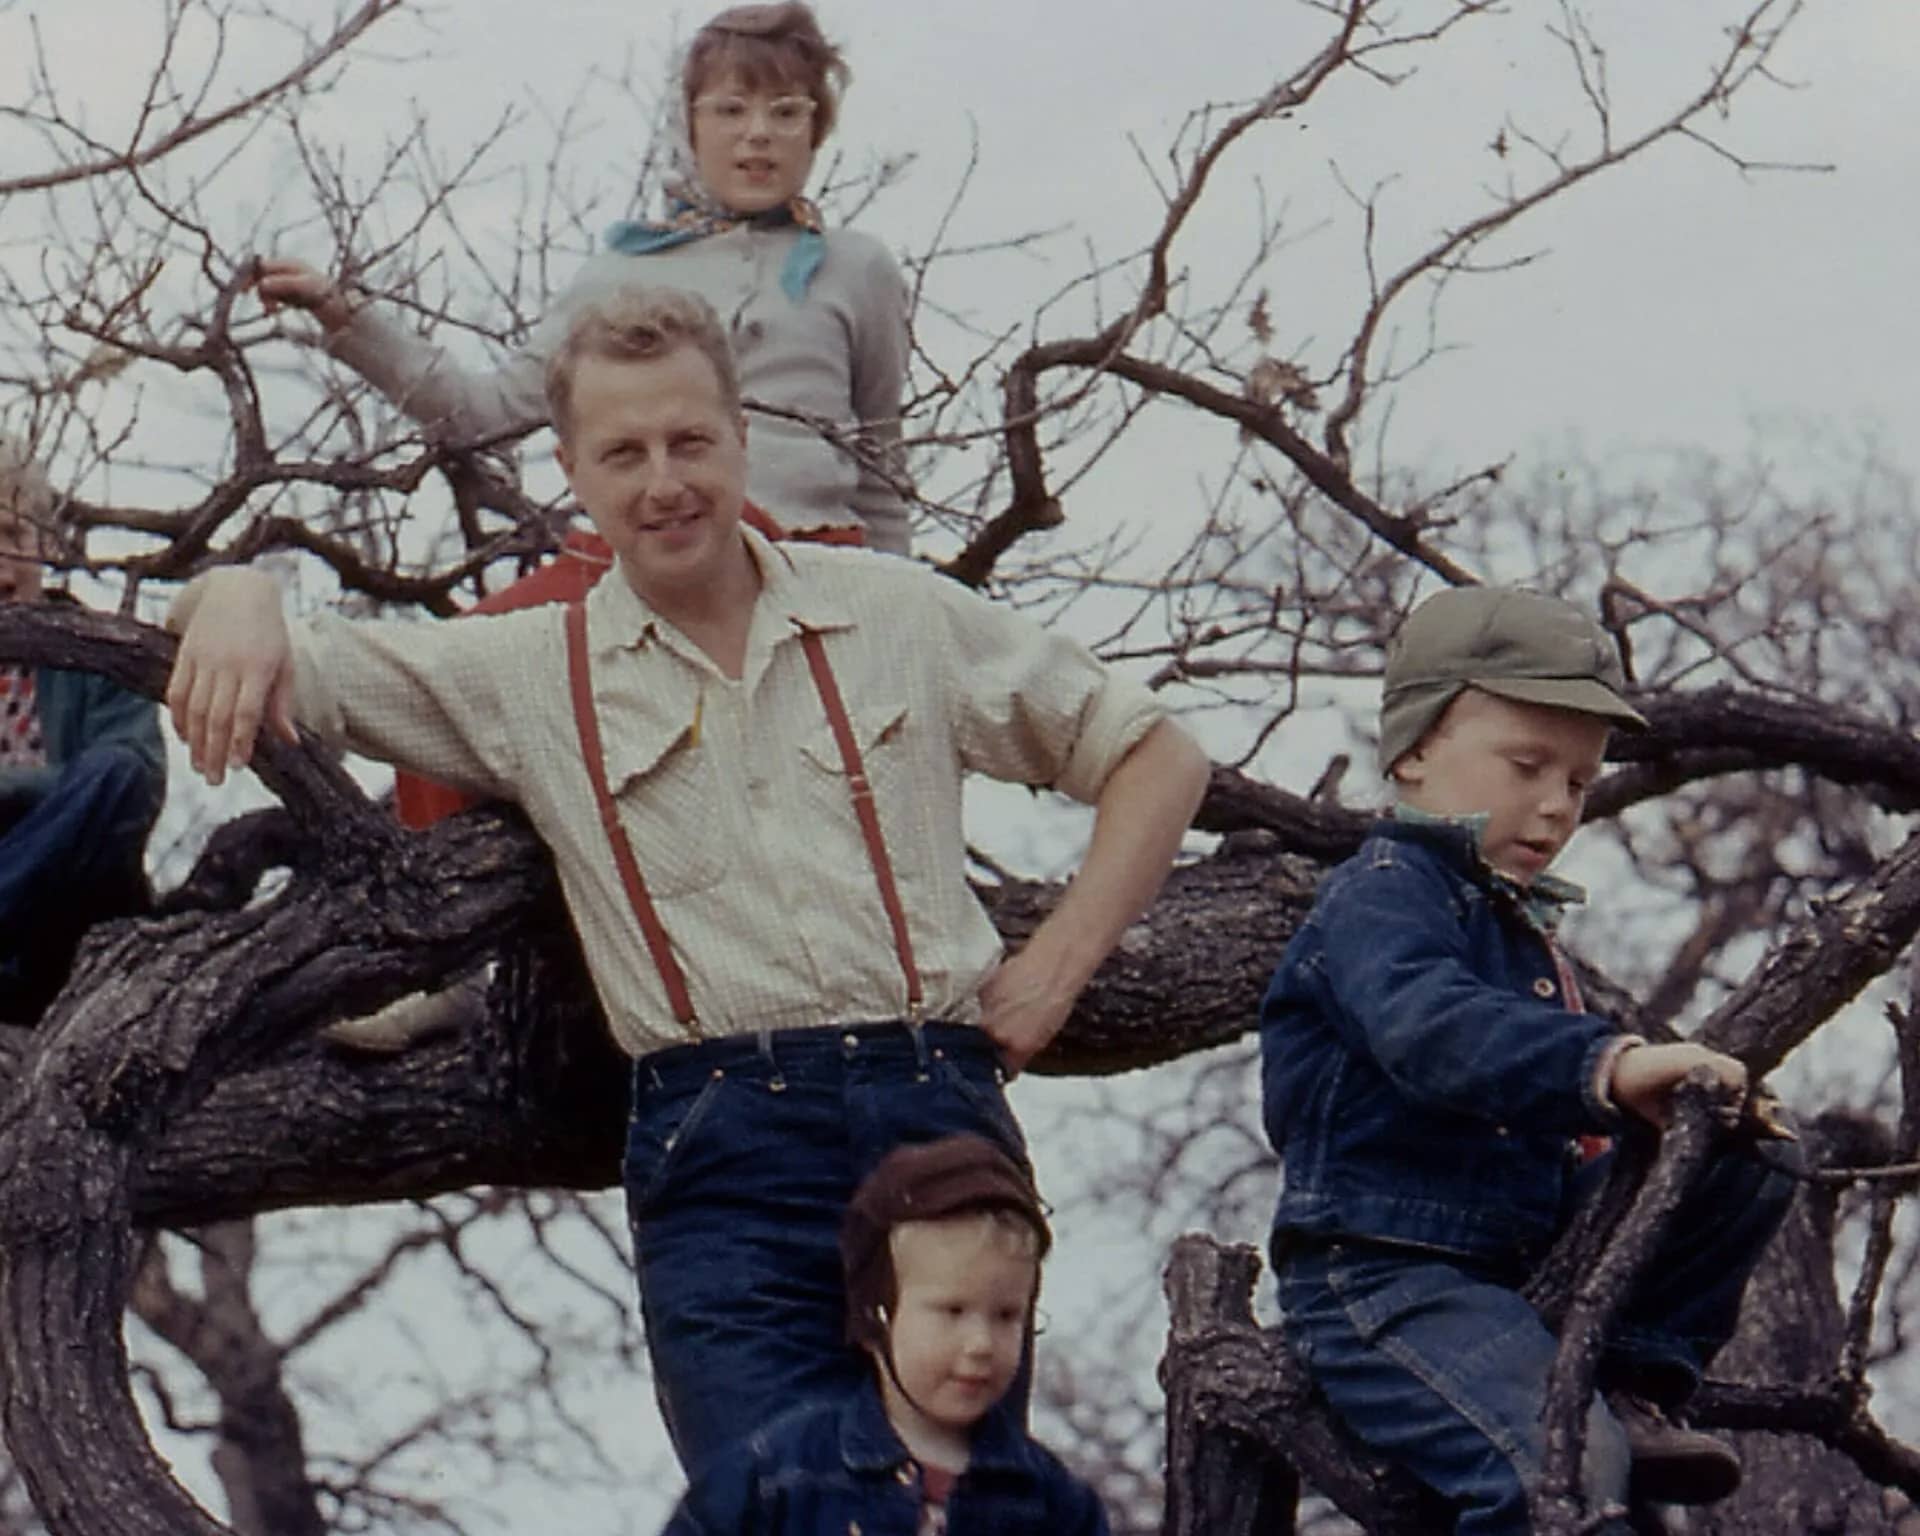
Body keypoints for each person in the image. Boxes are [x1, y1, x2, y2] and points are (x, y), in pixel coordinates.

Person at [165, 283, 1211, 1477]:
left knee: (950, 1499)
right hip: (722, 1143)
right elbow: (294, 664)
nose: (664, 482)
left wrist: (1056, 970)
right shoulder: (531, 668)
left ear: (741, 436)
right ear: (572, 472)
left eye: (690, 441)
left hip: (933, 1105)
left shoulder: (898, 611)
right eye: (624, 454)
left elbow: (1156, 755)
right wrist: (237, 588)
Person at [1260, 586, 1801, 1534]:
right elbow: (1432, 1029)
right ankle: (1587, 1433)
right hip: (1388, 1276)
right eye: (1526, 765)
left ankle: (1630, 1374)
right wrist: (1609, 1069)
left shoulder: (1514, 924)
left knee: (1748, 1156)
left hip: (1515, 1260)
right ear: (1415, 749)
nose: (1556, 807)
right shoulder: (1384, 893)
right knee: (1557, 1471)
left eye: (1581, 784)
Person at [253, 1, 911, 554]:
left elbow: (882, 473)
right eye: (732, 110)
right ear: (689, 124)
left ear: (817, 128)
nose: (759, 134)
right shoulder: (622, 273)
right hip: (655, 560)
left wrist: (907, 618)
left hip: (812, 564)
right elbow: (485, 412)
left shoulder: (858, 268)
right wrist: (346, 317)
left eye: (786, 112)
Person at [663, 1134, 1110, 1535]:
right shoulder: (778, 1477)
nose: (981, 1344)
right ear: (875, 1317)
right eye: (952, 1311)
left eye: (1006, 1316)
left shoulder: (1055, 1505)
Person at [0, 436, 167, 1024]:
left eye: (12, 536)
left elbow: (134, 780)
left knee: (115, 772)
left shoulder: (100, 648)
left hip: (72, 916)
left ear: (46, 544)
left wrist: (20, 794)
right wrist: (46, 786)